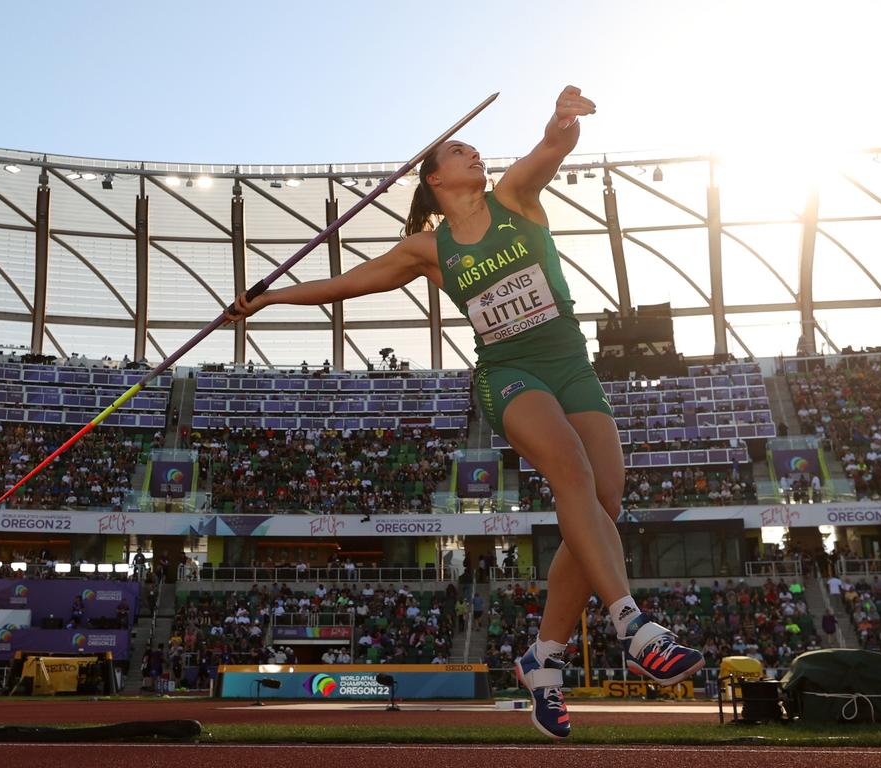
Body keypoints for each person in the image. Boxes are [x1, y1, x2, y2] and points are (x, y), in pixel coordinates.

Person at [225, 85, 703, 740]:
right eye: (458, 149)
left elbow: (551, 149)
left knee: (606, 501)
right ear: (434, 177)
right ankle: (632, 622)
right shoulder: (429, 249)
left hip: (571, 365)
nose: (473, 150)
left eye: (473, 146)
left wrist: (562, 121)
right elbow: (343, 285)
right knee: (570, 473)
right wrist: (270, 298)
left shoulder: (515, 199)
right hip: (510, 374)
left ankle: (544, 657)